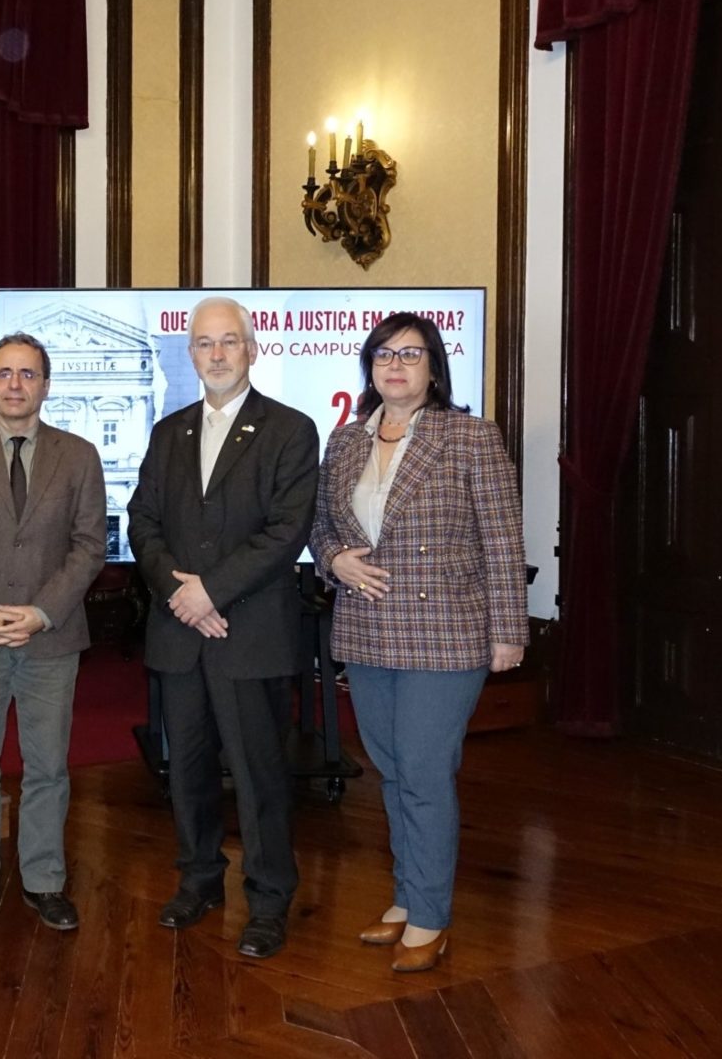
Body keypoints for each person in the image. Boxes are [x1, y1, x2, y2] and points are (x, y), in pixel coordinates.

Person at [310, 311, 527, 973]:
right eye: (383, 355)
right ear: (369, 368)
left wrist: (509, 633)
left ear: (434, 365)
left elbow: (503, 537)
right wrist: (334, 561)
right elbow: (322, 528)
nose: (395, 365)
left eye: (410, 354)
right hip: (368, 631)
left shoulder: (470, 438)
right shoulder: (345, 442)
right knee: (395, 772)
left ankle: (431, 917)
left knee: (427, 775)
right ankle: (407, 900)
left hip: (444, 635)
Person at [126, 296, 318, 960]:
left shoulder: (290, 431)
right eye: (203, 343)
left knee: (259, 775)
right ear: (190, 354)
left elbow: (284, 531)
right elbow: (142, 521)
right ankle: (200, 880)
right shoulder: (168, 432)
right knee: (188, 772)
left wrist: (210, 591)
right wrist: (180, 594)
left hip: (250, 635)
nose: (215, 354)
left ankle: (267, 899)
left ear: (252, 347)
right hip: (180, 635)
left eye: (227, 341)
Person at [0, 333, 106, 935]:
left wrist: (41, 612)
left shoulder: (79, 454)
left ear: (46, 384)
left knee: (48, 766)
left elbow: (90, 546)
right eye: (4, 374)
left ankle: (44, 880)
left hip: (51, 638)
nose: (15, 385)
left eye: (28, 374)